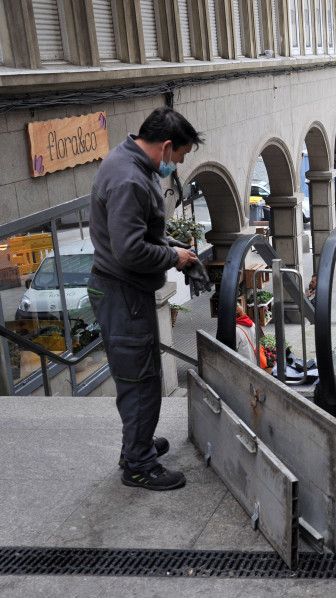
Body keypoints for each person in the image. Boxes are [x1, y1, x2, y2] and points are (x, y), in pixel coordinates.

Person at [89, 107, 202, 491]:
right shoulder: (130, 179)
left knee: (138, 375)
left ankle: (135, 445)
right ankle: (138, 465)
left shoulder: (126, 161)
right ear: (166, 147)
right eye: (180, 157)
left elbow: (134, 232)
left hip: (123, 291)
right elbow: (130, 250)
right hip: (122, 292)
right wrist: (175, 257)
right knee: (141, 381)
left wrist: (170, 245)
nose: (178, 164)